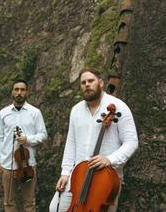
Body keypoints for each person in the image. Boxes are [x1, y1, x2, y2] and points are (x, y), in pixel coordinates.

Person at [49, 68, 138, 212]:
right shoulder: (76, 110)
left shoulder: (119, 107)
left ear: (101, 83)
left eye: (91, 81)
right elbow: (71, 143)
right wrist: (65, 173)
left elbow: (132, 142)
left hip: (106, 179)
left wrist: (110, 159)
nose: (87, 85)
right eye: (83, 82)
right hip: (77, 176)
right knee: (54, 208)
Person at [0, 79, 47, 212]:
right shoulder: (3, 113)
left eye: (22, 90)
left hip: (28, 164)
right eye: (16, 89)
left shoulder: (35, 112)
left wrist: (28, 139)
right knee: (9, 202)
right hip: (7, 163)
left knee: (29, 202)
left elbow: (43, 135)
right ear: (12, 92)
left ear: (27, 92)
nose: (19, 92)